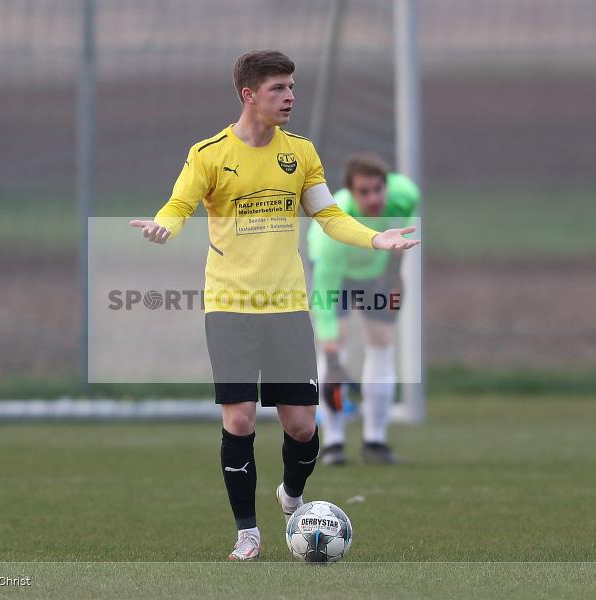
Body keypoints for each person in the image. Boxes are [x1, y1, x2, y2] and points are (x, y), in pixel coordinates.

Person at [129, 50, 419, 561]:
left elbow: (328, 215)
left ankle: (292, 496)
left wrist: (377, 239)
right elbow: (179, 205)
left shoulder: (300, 153)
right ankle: (247, 533)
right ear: (249, 94)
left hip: (286, 305)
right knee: (239, 419)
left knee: (303, 426)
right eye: (278, 89)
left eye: (291, 88)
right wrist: (164, 227)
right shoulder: (209, 153)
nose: (289, 97)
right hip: (230, 305)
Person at [307, 153, 420, 466]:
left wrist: (395, 268)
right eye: (363, 192)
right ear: (350, 193)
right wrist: (328, 343)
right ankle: (333, 443)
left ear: (387, 186)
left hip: (376, 274)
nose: (373, 198)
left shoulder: (405, 195)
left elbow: (407, 225)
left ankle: (375, 441)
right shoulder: (331, 232)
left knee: (382, 343)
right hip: (337, 277)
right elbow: (325, 290)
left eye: (377, 189)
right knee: (334, 351)